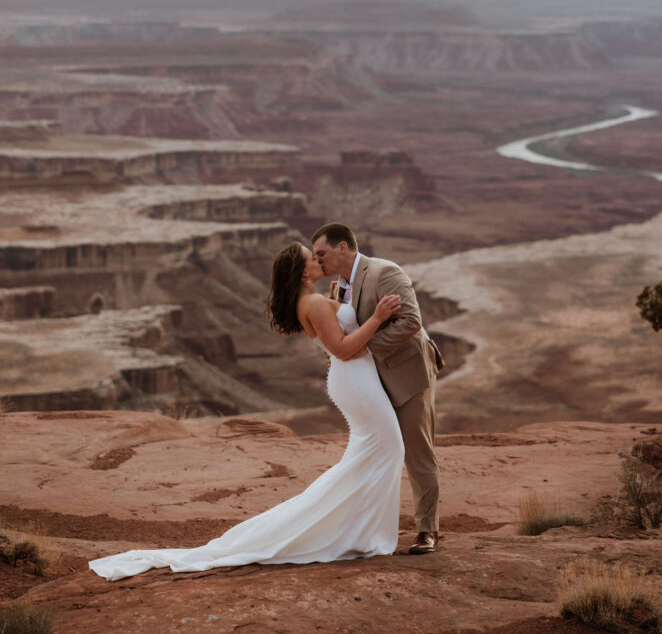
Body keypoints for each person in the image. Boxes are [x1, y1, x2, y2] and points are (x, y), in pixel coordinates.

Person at [89, 242, 404, 581]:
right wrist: (377, 318)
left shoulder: (309, 301)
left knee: (368, 456)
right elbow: (341, 349)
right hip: (355, 379)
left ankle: (356, 533)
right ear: (302, 273)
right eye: (313, 259)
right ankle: (356, 534)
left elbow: (336, 337)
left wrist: (339, 304)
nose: (319, 261)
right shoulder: (311, 302)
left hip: (353, 381)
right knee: (388, 450)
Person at [312, 222, 443, 554]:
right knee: (375, 450)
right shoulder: (338, 286)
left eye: (321, 253)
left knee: (417, 452)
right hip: (369, 380)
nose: (319, 261)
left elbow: (411, 321)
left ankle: (427, 531)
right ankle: (363, 528)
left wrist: (363, 349)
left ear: (343, 248)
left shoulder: (385, 272)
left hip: (406, 373)